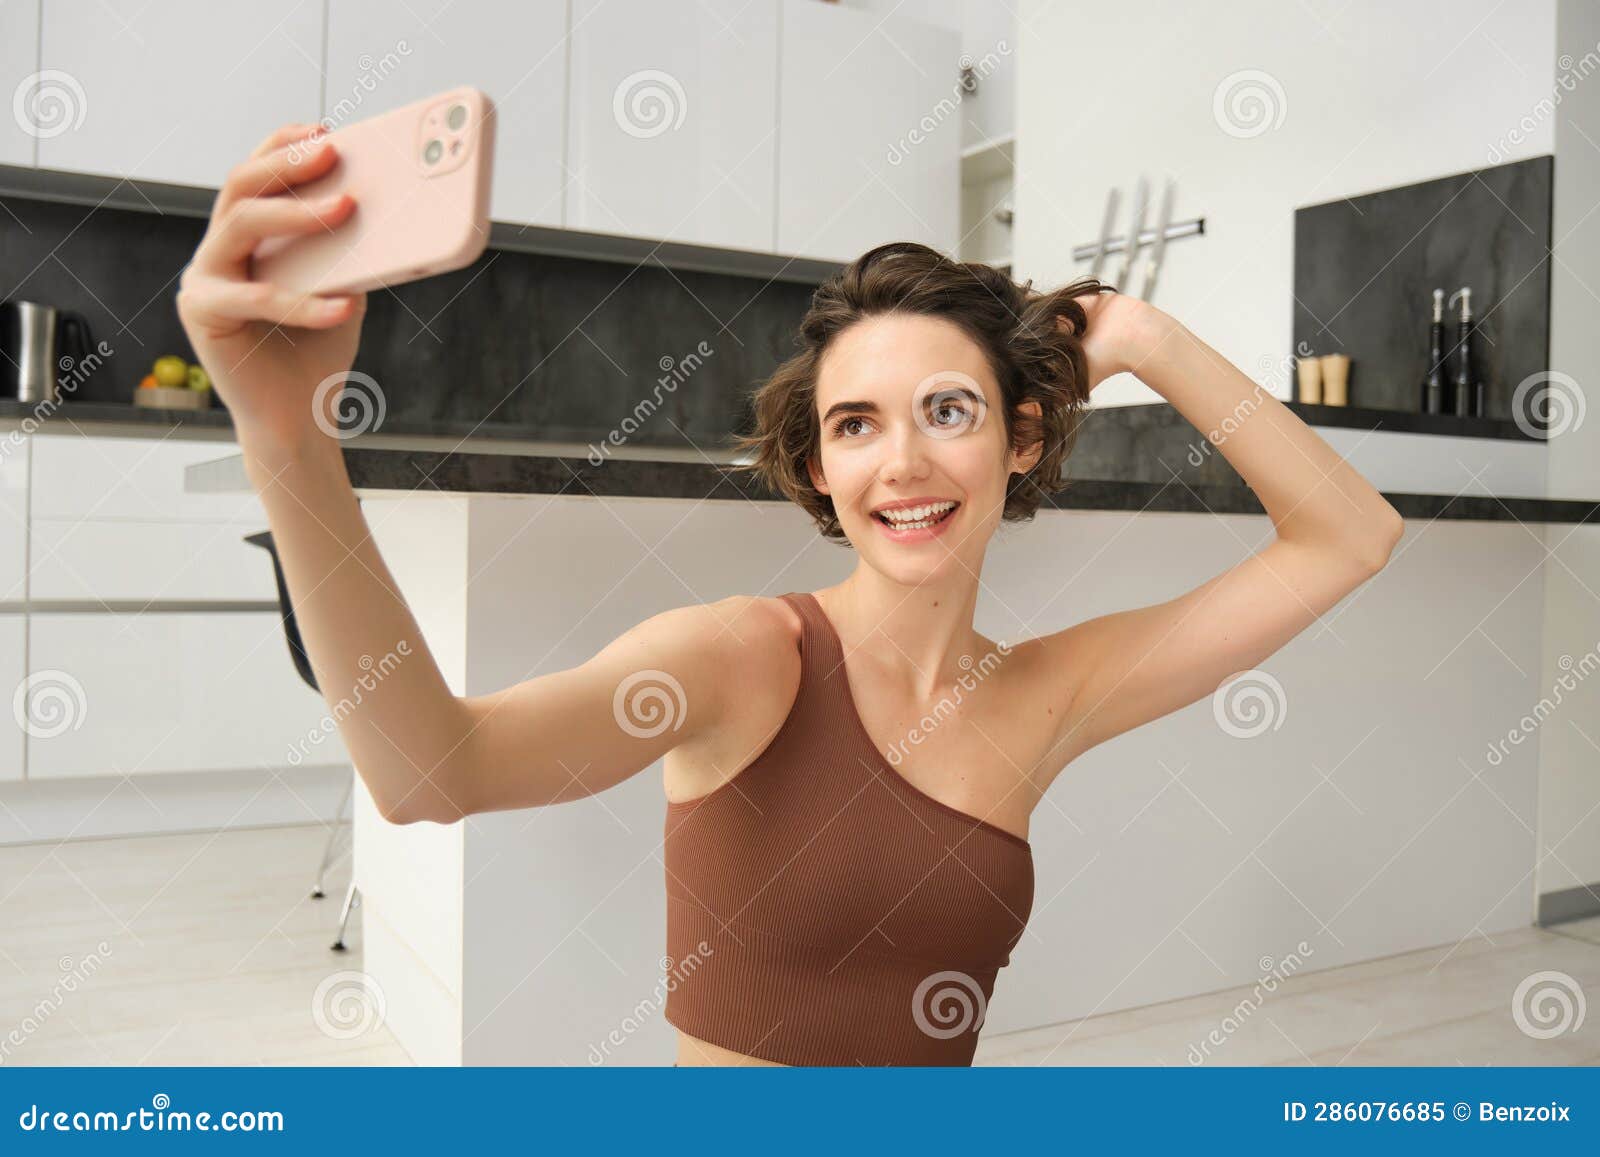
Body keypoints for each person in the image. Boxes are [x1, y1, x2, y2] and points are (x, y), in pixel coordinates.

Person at [177, 123, 1404, 1068]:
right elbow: (428, 770)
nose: (905, 461)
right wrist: (285, 436)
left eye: (949, 410)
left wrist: (1142, 334)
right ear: (819, 468)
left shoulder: (1043, 695)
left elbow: (1347, 536)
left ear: (1018, 440)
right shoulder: (741, 658)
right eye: (856, 424)